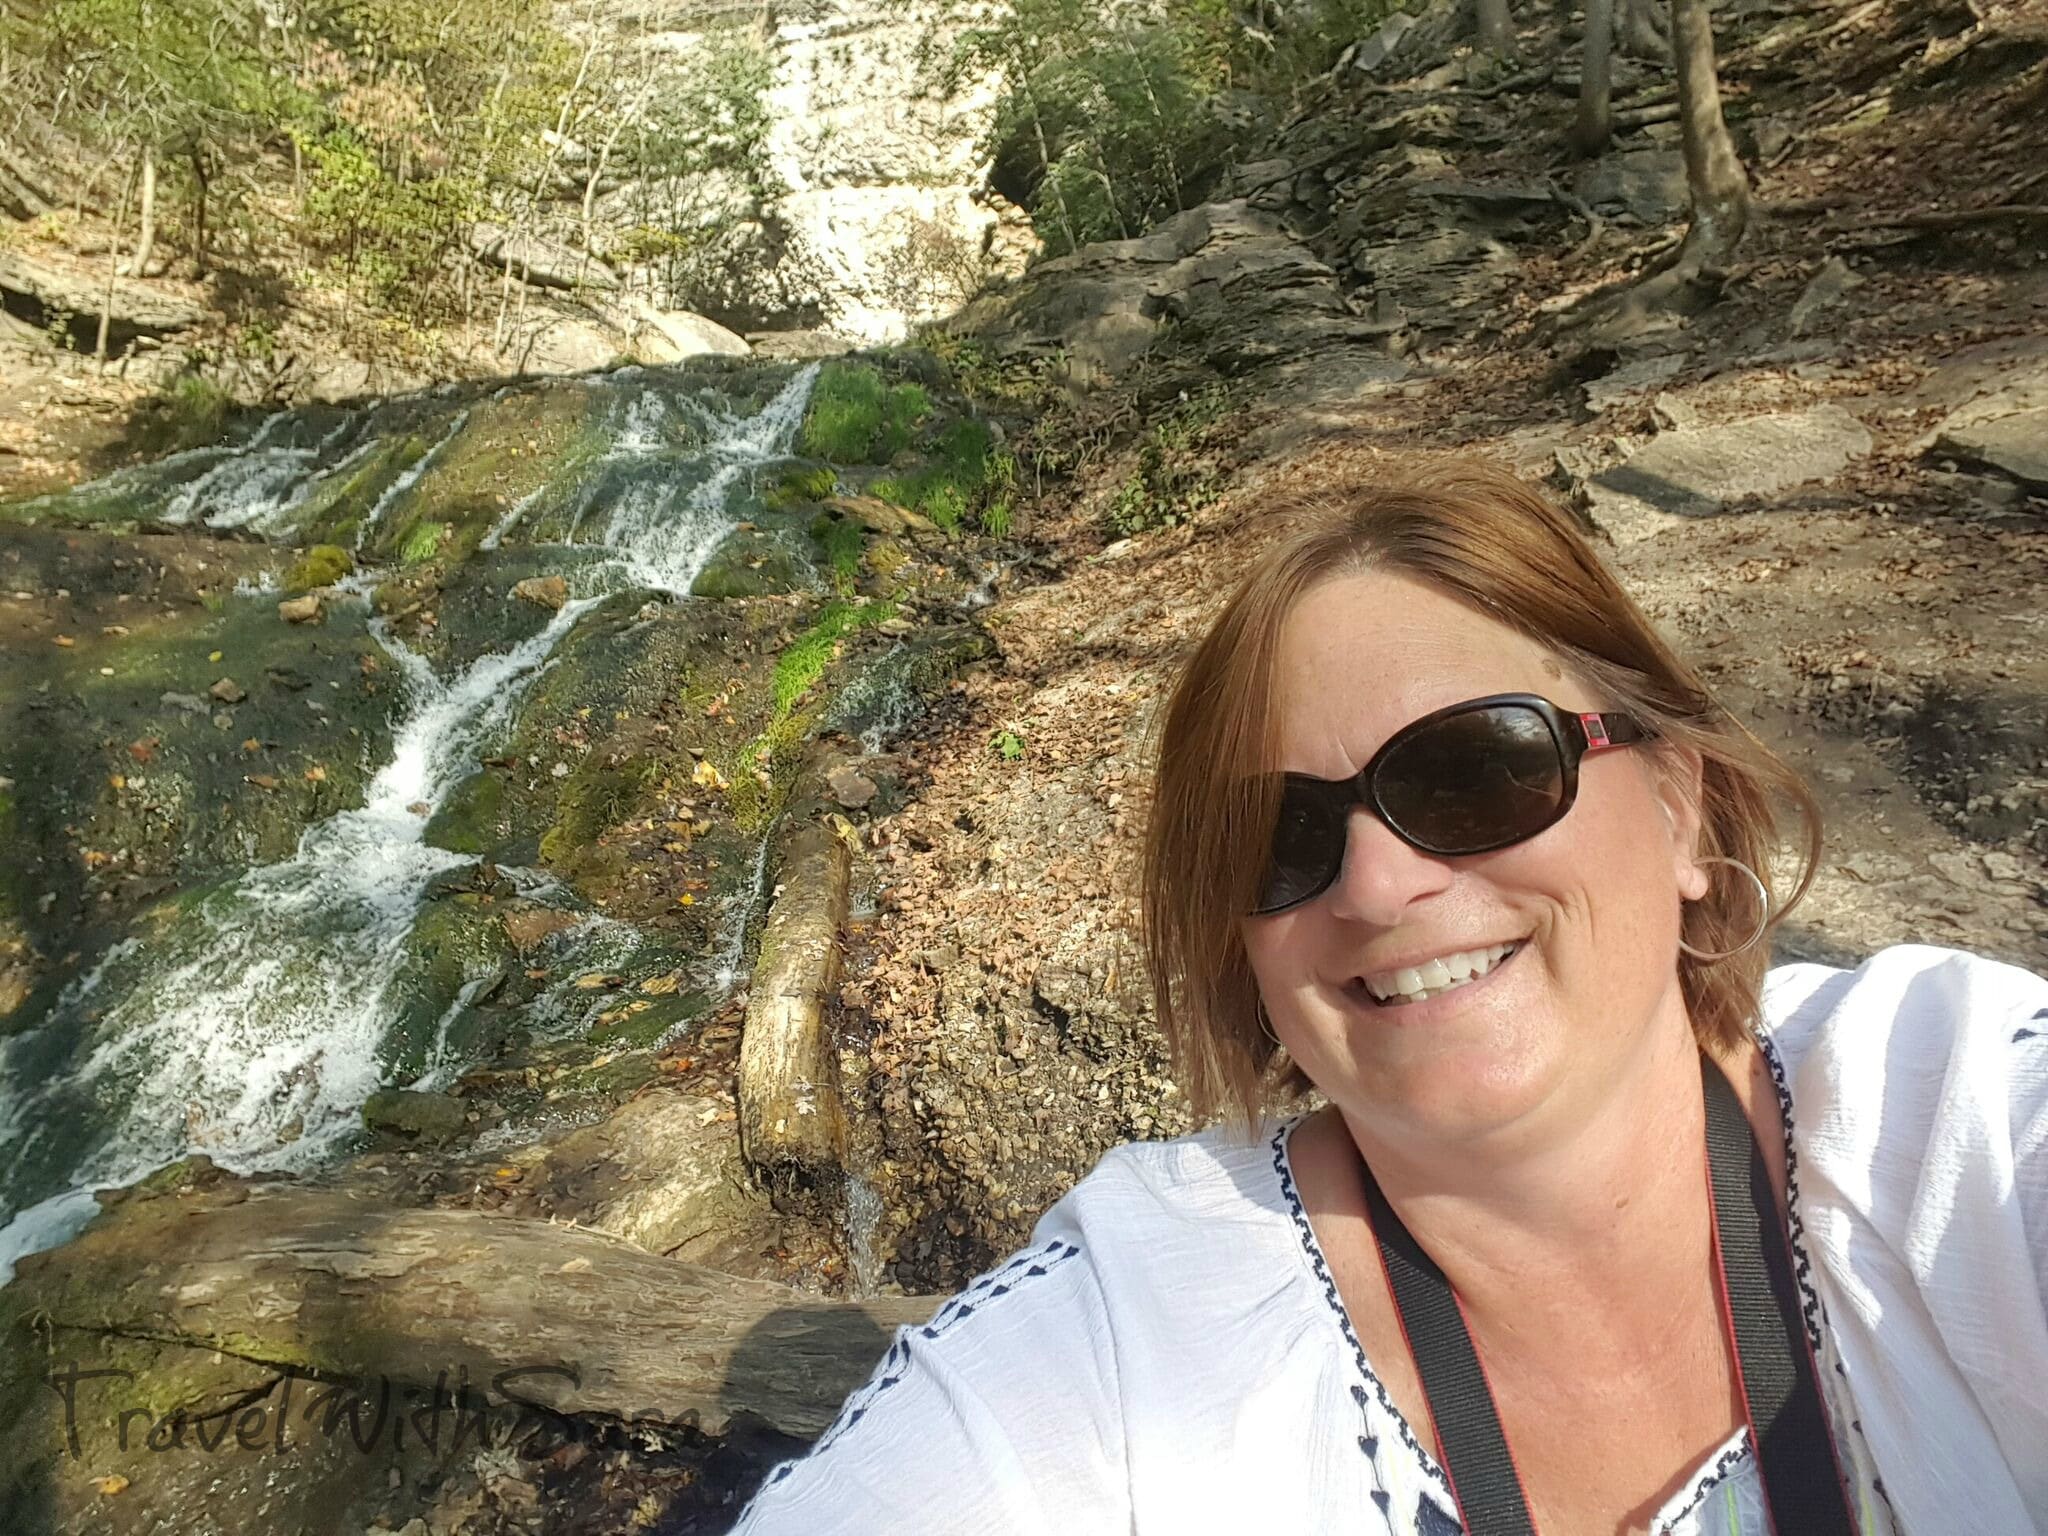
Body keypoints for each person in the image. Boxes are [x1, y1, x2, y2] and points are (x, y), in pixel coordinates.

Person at [731, 464, 2048, 1535]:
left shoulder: (1952, 1121)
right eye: (1278, 839)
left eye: (1476, 771)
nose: (1376, 885)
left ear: (1676, 808)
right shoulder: (1143, 1331)